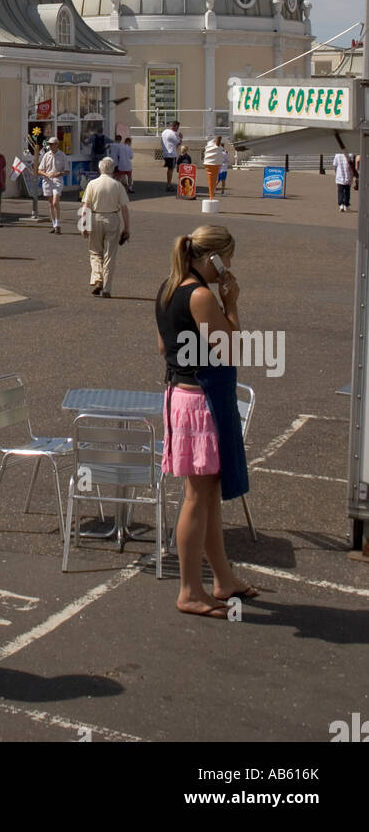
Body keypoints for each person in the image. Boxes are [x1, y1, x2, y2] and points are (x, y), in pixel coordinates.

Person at [155, 226, 258, 618]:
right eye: (226, 258)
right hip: (202, 401)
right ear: (210, 257)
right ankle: (189, 591)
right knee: (198, 500)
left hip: (181, 395)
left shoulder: (169, 288)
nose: (228, 266)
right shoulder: (200, 295)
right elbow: (230, 347)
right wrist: (230, 303)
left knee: (209, 497)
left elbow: (164, 346)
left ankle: (223, 579)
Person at [80, 156, 130, 297]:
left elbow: (86, 207)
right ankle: (107, 288)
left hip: (96, 217)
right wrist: (127, 228)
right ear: (113, 169)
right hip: (112, 218)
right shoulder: (117, 185)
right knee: (110, 255)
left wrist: (84, 224)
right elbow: (124, 209)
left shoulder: (92, 184)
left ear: (100, 168)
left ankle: (97, 278)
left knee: (95, 252)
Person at [37, 135, 71, 232]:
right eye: (49, 144)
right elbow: (39, 170)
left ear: (57, 145)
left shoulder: (62, 155)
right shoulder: (46, 155)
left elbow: (67, 171)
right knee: (51, 204)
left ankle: (58, 224)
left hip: (57, 181)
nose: (51, 146)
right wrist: (46, 174)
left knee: (56, 202)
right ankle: (54, 225)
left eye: (52, 144)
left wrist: (58, 173)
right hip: (47, 181)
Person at [202, 134, 225, 200]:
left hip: (212, 162)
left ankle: (211, 195)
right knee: (216, 179)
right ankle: (211, 195)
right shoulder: (216, 147)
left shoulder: (213, 146)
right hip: (214, 162)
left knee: (214, 179)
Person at [160, 121, 181, 191]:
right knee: (170, 170)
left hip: (165, 153)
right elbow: (178, 144)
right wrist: (181, 138)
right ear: (175, 126)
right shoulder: (173, 134)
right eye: (178, 127)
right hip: (171, 154)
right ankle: (169, 185)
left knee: (169, 169)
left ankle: (168, 184)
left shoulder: (164, 131)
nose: (178, 129)